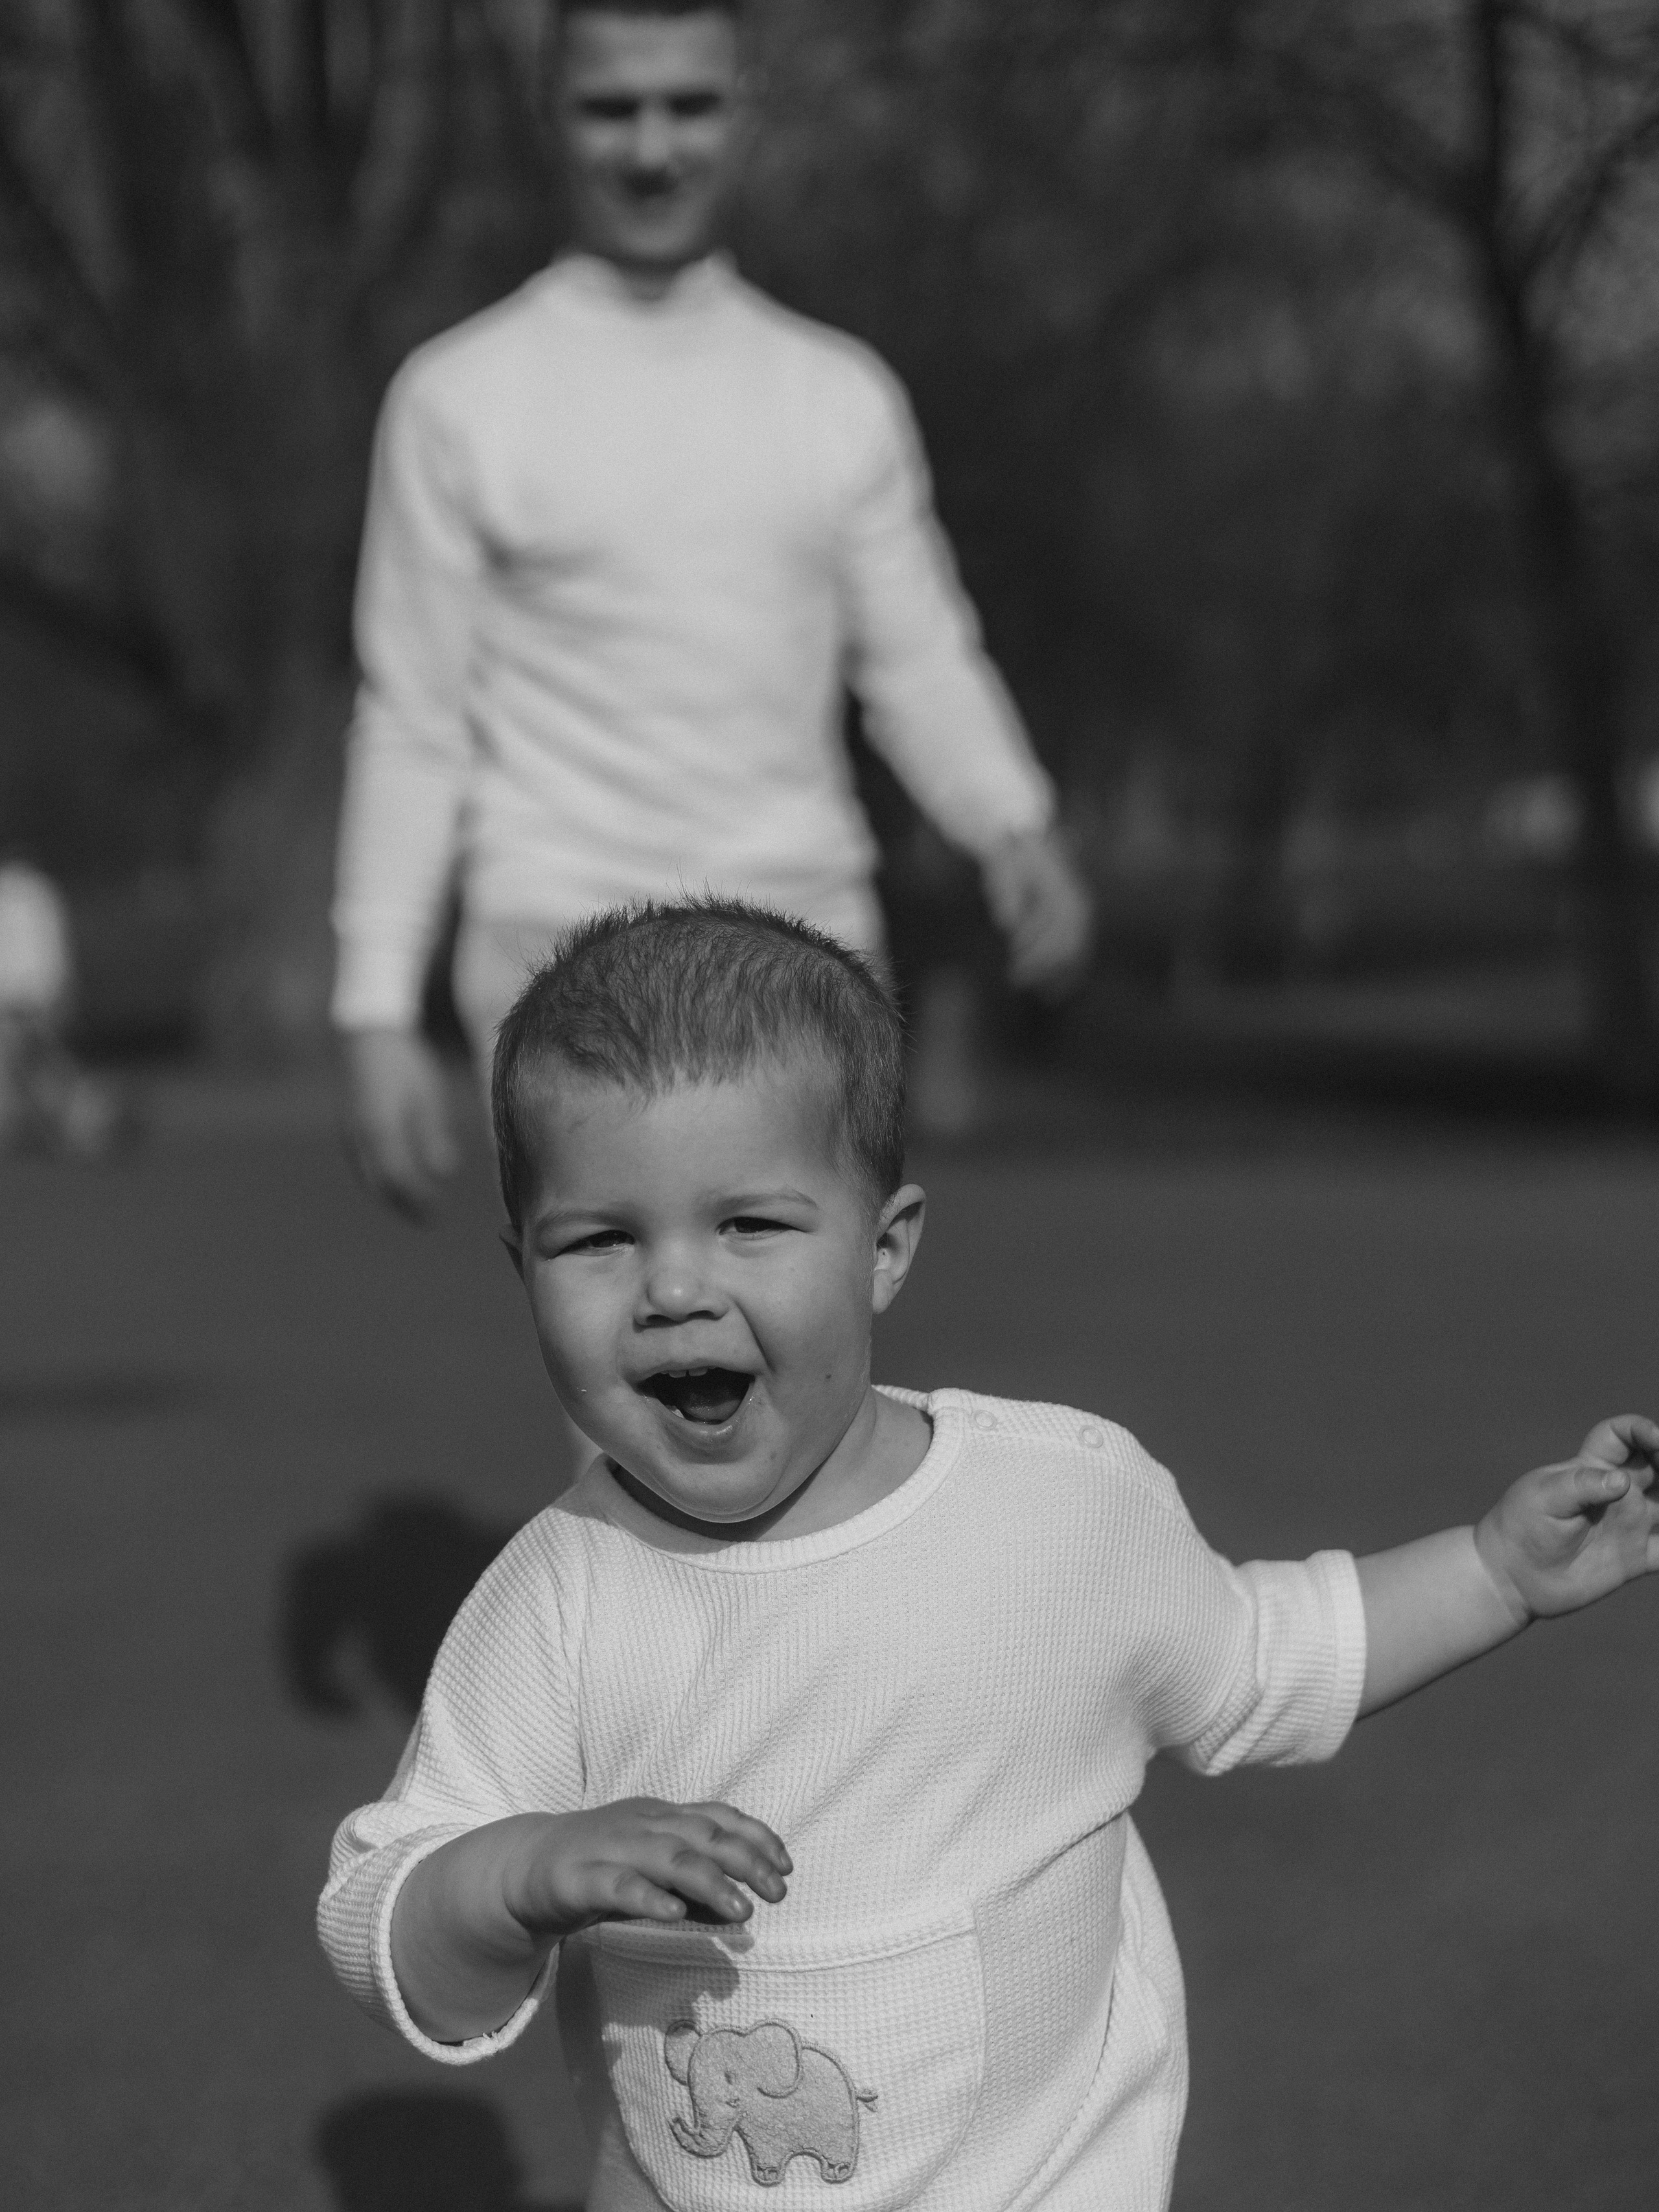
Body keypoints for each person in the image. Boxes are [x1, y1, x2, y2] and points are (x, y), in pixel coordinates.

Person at [318, 900, 1659, 2212]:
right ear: (522, 1266)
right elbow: (380, 1913)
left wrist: (1493, 1574)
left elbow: (1263, 1657)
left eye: (750, 1225)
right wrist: (518, 1871)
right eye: (600, 1239)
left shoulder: (1056, 1509)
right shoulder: (561, 1599)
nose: (675, 1287)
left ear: (884, 1248)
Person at [332, 0, 1093, 1220]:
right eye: (610, 108)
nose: (651, 148)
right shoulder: (457, 397)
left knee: (812, 1377)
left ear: (748, 109)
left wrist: (1013, 822)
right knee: (633, 1386)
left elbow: (918, 654)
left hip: (807, 941)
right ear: (551, 117)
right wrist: (374, 1006)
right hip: (554, 951)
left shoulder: (836, 394)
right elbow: (413, 713)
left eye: (688, 104)